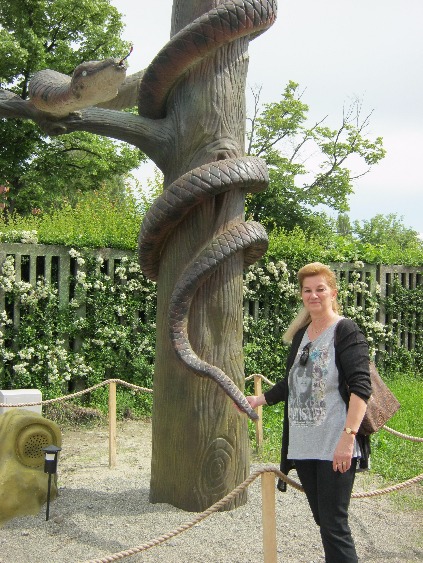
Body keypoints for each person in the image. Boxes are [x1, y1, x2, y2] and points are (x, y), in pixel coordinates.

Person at [244, 262, 372, 563]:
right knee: (323, 521)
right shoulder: (302, 334)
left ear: (333, 293)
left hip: (334, 444)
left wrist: (348, 438)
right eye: (307, 290)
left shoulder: (345, 331)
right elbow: (291, 383)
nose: (313, 295)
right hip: (303, 446)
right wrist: (258, 400)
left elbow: (361, 389)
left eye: (320, 289)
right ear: (302, 295)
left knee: (334, 524)